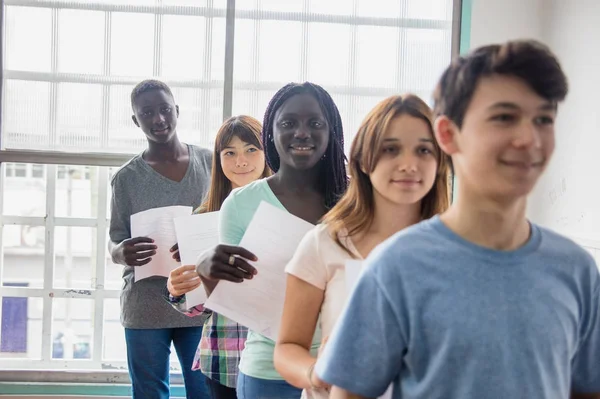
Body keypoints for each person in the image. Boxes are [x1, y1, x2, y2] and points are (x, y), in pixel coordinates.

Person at [314, 40, 600, 399]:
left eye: (544, 119)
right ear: (448, 134)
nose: (529, 138)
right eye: (504, 117)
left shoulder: (576, 269)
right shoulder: (397, 267)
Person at [274, 94, 451, 398]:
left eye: (424, 150)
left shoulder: (455, 252)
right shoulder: (325, 242)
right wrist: (315, 373)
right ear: (363, 160)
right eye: (391, 149)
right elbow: (288, 348)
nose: (409, 164)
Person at [195, 82, 348, 399]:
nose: (302, 133)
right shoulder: (240, 204)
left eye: (315, 123)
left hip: (342, 370)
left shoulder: (356, 201)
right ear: (271, 134)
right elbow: (237, 303)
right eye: (288, 123)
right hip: (268, 371)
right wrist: (208, 273)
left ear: (331, 131)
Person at [109, 79, 211, 399]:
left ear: (177, 111)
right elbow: (114, 241)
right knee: (149, 394)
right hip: (145, 304)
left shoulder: (210, 163)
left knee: (205, 392)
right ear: (136, 120)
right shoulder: (125, 178)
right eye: (148, 112)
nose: (158, 119)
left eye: (165, 110)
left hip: (199, 299)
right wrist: (121, 253)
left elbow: (230, 223)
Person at [166, 115, 271, 399]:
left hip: (273, 361)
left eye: (251, 149)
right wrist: (177, 291)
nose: (241, 161)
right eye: (230, 153)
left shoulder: (286, 211)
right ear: (218, 159)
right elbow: (196, 306)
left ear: (268, 152)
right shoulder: (203, 218)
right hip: (222, 357)